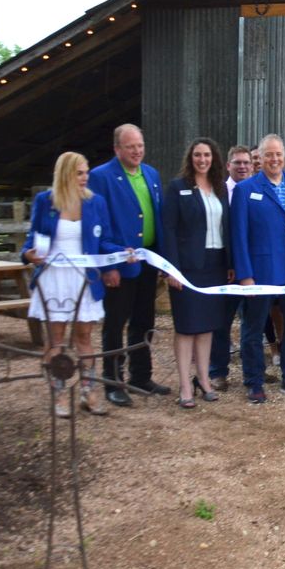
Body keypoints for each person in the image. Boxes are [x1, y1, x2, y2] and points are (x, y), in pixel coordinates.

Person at [23, 152, 130, 418]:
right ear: (65, 174)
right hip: (54, 278)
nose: (85, 177)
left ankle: (88, 391)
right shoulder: (45, 201)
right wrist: (28, 254)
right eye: (79, 173)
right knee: (56, 338)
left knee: (84, 336)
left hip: (85, 278)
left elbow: (104, 240)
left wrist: (121, 253)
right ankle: (59, 392)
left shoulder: (96, 203)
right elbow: (31, 240)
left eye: (86, 172)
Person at [230, 134, 285, 403]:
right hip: (261, 272)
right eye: (268, 155)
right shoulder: (246, 190)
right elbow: (239, 237)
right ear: (260, 158)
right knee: (253, 328)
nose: (274, 159)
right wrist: (245, 275)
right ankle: (254, 381)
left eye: (278, 154)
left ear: (284, 155)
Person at [87, 124, 170, 406]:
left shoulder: (152, 174)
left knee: (144, 320)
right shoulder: (100, 177)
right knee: (115, 323)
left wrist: (162, 258)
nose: (137, 151)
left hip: (147, 260)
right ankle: (112, 381)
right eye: (130, 146)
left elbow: (156, 216)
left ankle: (140, 375)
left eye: (140, 145)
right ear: (117, 149)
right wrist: (108, 263)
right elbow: (98, 222)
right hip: (118, 264)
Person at [160, 138, 230, 409]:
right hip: (186, 268)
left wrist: (231, 263)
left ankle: (204, 379)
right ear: (190, 158)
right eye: (198, 155)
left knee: (207, 326)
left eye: (207, 155)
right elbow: (169, 229)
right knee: (187, 326)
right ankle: (185, 385)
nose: (202, 160)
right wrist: (171, 269)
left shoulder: (220, 188)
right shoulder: (178, 188)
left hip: (215, 264)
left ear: (213, 159)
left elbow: (227, 227)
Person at [209, 144, 253, 391]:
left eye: (246, 162)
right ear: (228, 166)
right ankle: (217, 371)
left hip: (253, 270)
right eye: (237, 162)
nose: (243, 166)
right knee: (222, 322)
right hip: (226, 271)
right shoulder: (218, 193)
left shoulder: (255, 190)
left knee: (252, 324)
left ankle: (252, 371)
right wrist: (228, 264)